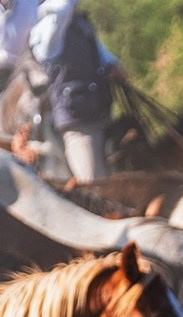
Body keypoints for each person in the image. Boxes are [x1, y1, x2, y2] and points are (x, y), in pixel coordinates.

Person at [29, 0, 119, 181]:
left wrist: (113, 64)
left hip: (99, 113)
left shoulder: (79, 23)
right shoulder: (48, 28)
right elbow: (62, 9)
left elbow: (102, 54)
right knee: (94, 185)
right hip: (77, 122)